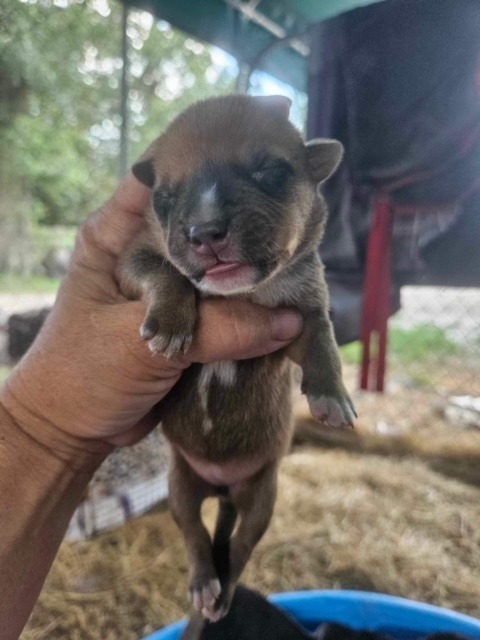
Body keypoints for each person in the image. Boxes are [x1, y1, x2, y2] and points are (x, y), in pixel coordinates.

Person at [0, 172, 303, 640]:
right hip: (190, 459)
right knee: (191, 516)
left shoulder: (281, 268)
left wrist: (43, 432)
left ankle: (228, 576)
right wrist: (43, 427)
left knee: (245, 530)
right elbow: (143, 262)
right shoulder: (160, 253)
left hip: (255, 463)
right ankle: (205, 568)